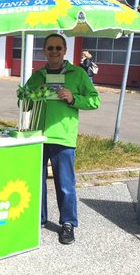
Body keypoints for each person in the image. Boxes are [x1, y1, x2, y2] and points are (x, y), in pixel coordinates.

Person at [25, 34, 100, 244]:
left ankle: (68, 223)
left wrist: (73, 98)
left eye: (58, 47)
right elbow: (23, 100)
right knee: (36, 181)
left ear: (64, 50)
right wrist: (33, 95)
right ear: (44, 51)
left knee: (65, 184)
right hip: (37, 136)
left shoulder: (77, 74)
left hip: (63, 137)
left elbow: (95, 101)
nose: (54, 51)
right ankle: (39, 218)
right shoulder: (38, 75)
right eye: (50, 48)